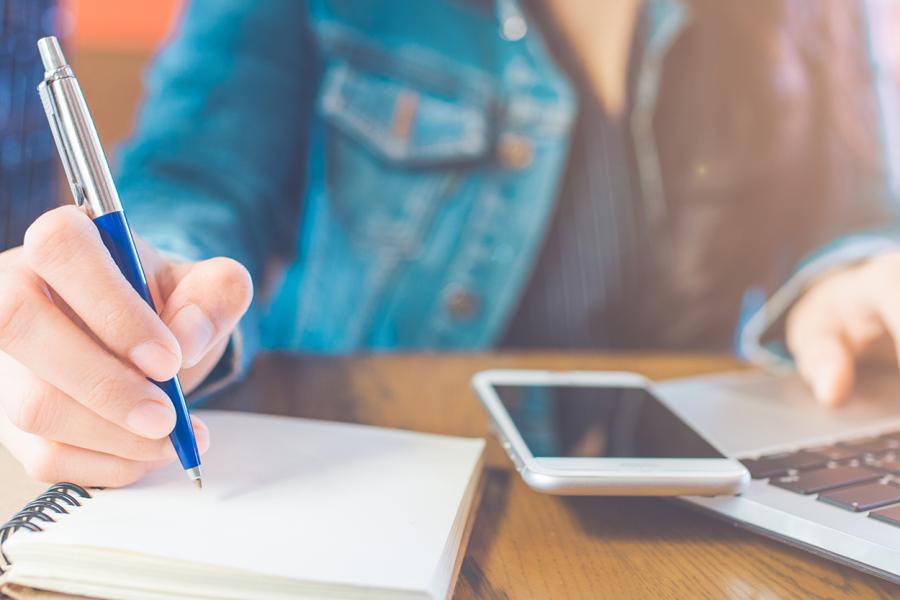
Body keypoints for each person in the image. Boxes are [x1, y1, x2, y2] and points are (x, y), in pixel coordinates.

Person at [2, 0, 900, 487]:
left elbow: (854, 217)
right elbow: (195, 181)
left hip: (687, 497)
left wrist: (846, 279)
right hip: (365, 465)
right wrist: (155, 293)